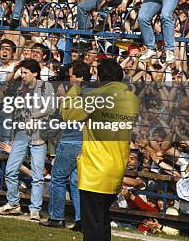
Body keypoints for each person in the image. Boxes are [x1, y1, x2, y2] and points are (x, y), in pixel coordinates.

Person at [62, 58, 140, 241]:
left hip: (95, 171)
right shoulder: (132, 99)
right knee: (103, 220)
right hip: (116, 168)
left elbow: (67, 114)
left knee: (92, 227)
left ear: (99, 78)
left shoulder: (94, 97)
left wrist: (76, 87)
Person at [0, 59, 54, 221]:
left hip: (39, 135)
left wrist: (34, 116)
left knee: (37, 174)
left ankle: (35, 209)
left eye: (25, 72)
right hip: (21, 133)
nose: (22, 75)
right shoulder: (19, 88)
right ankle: (13, 203)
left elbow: (50, 108)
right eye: (21, 72)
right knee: (10, 170)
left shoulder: (46, 86)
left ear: (35, 73)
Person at [42, 61, 91, 231]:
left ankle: (56, 217)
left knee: (58, 178)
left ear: (79, 77)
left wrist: (63, 99)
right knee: (78, 181)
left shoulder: (76, 92)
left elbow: (66, 115)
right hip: (86, 141)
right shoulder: (93, 92)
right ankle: (80, 220)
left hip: (71, 139)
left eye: (71, 75)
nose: (68, 78)